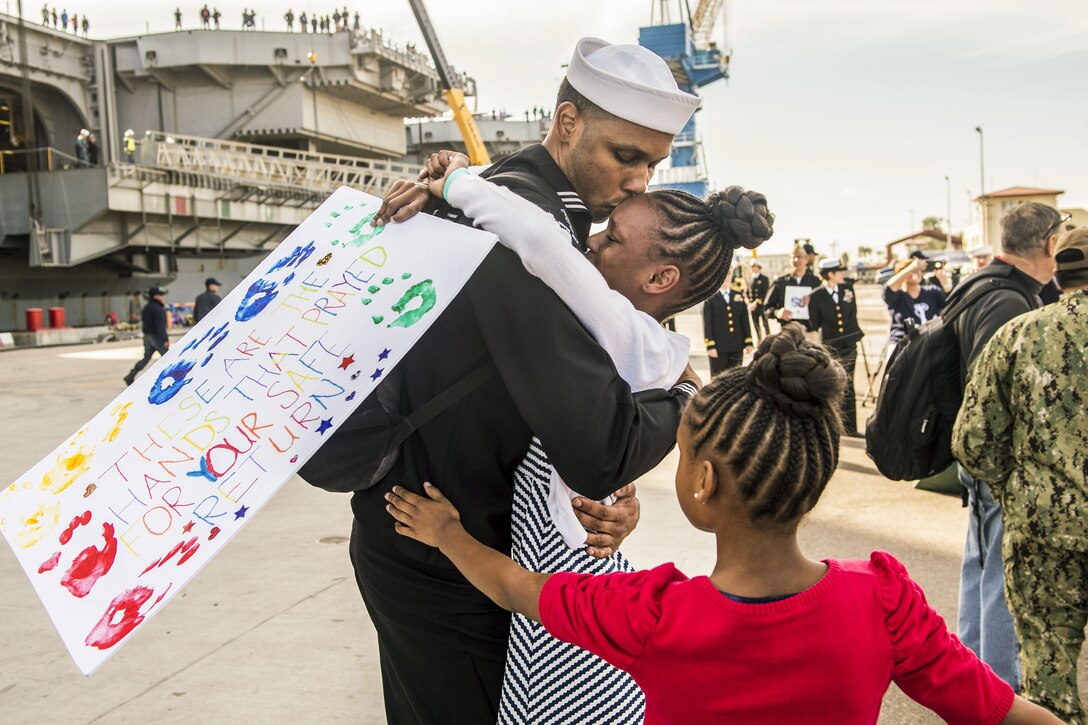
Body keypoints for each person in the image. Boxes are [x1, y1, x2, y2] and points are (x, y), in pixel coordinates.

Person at [300, 37, 702, 724]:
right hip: (447, 553)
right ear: (568, 123)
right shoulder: (525, 234)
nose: (639, 180)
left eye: (652, 164)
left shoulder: (509, 201)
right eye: (626, 155)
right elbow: (597, 444)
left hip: (450, 535)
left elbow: (549, 415)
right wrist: (690, 398)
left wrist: (606, 501)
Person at [386, 325, 1060, 725]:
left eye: (680, 456)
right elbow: (1001, 711)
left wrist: (446, 531)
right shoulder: (882, 598)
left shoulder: (649, 613)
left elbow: (511, 585)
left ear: (703, 483)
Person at [393, 135, 771, 725]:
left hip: (558, 606)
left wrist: (460, 181)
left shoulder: (616, 322)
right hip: (585, 582)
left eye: (613, 239)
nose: (591, 241)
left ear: (660, 277)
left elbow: (542, 243)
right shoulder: (662, 354)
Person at [953, 227, 1088, 724]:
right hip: (1043, 529)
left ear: (1062, 272)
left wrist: (1021, 491)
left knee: (1047, 684)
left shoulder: (1021, 334)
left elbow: (972, 442)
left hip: (1042, 534)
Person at [808, 258, 863, 437]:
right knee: (833, 384)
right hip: (830, 345)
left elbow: (852, 314)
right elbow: (814, 323)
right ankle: (834, 427)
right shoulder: (816, 295)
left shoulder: (847, 289)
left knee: (849, 383)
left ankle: (851, 428)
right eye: (839, 271)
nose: (842, 274)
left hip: (848, 343)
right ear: (830, 274)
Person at [883, 255, 950, 343]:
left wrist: (946, 284)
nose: (917, 273)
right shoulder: (898, 295)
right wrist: (911, 267)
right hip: (902, 342)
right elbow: (888, 288)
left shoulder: (932, 291)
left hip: (931, 339)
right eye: (913, 271)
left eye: (919, 271)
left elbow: (950, 302)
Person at [703, 277, 753, 375]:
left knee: (735, 378)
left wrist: (748, 342)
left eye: (729, 273)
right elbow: (707, 323)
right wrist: (710, 346)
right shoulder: (710, 298)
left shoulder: (738, 295)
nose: (726, 277)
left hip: (737, 345)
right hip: (718, 347)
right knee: (718, 379)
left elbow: (745, 320)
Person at [765, 242, 820, 328]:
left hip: (810, 333)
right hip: (787, 333)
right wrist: (777, 313)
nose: (796, 260)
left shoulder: (816, 283)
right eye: (793, 257)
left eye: (799, 257)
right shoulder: (780, 283)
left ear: (806, 259)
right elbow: (766, 308)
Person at [123, 287, 170, 386]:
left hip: (147, 336)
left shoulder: (147, 307)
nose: (162, 297)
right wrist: (165, 339)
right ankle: (171, 378)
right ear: (156, 296)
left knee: (146, 357)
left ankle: (131, 375)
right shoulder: (158, 309)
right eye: (161, 295)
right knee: (168, 357)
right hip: (156, 336)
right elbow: (160, 325)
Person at [746, 260, 771, 341]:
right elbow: (748, 292)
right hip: (753, 307)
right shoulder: (750, 279)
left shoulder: (764, 279)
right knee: (756, 325)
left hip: (762, 306)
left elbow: (765, 293)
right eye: (752, 267)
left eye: (755, 267)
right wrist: (749, 303)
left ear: (759, 268)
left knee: (765, 324)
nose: (753, 268)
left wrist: (756, 303)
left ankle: (769, 339)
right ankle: (759, 340)